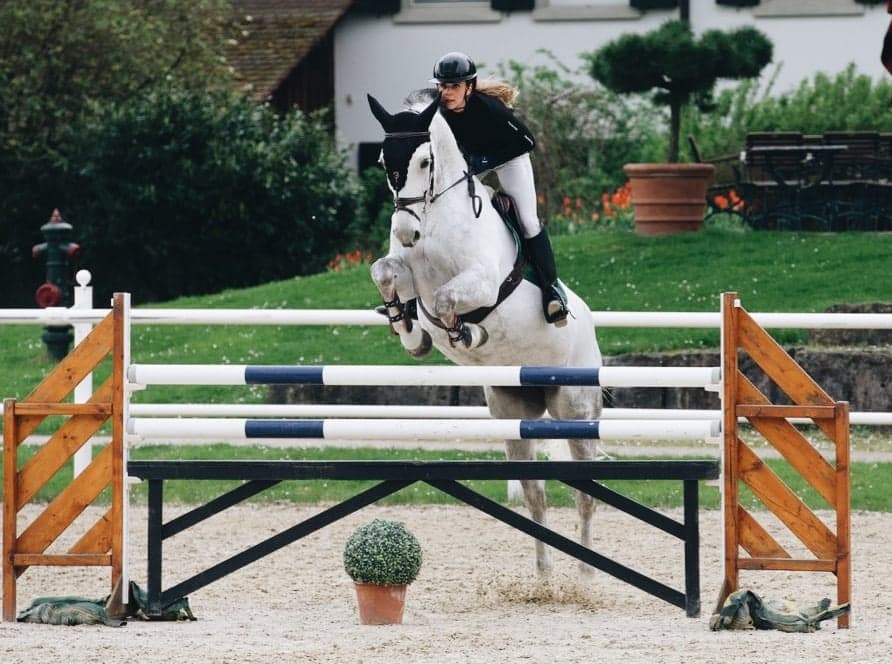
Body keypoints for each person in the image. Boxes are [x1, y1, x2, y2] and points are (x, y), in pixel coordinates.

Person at [430, 51, 569, 327]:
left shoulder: (489, 108)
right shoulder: (437, 109)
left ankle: (552, 290)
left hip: (509, 159)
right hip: (472, 161)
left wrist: (485, 161)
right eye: (442, 86)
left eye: (454, 86)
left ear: (469, 87)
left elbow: (526, 141)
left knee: (528, 221)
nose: (446, 92)